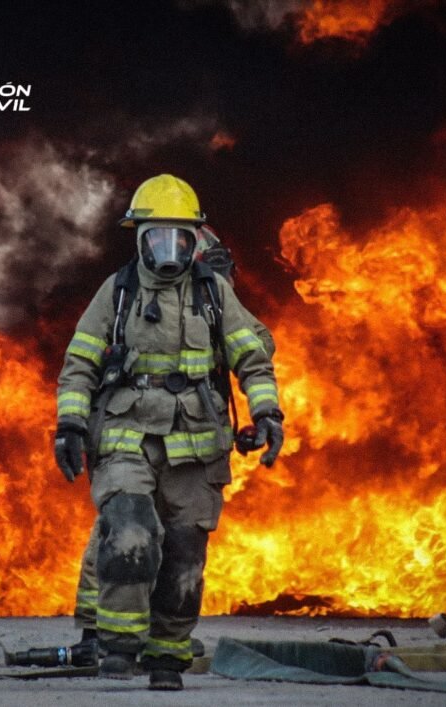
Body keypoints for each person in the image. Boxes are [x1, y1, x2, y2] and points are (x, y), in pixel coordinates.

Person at [54, 174, 284, 691]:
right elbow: (79, 364)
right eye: (157, 238)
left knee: (185, 558)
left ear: (195, 239)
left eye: (180, 238)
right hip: (125, 437)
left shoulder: (213, 292)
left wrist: (267, 414)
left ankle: (166, 657)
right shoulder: (116, 293)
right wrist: (69, 424)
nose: (168, 250)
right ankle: (116, 649)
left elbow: (253, 357)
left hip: (197, 447)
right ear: (139, 238)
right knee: (130, 533)